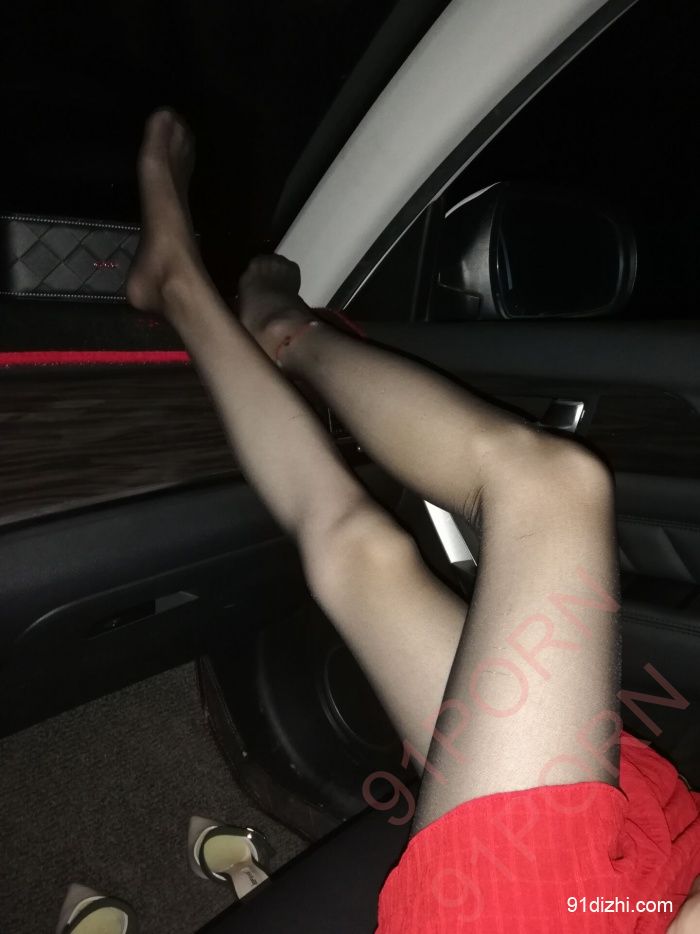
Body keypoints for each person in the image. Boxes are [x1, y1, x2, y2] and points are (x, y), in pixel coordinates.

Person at [124, 107, 700, 932]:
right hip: (639, 887)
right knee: (364, 553)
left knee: (549, 485)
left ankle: (262, 319)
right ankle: (188, 297)